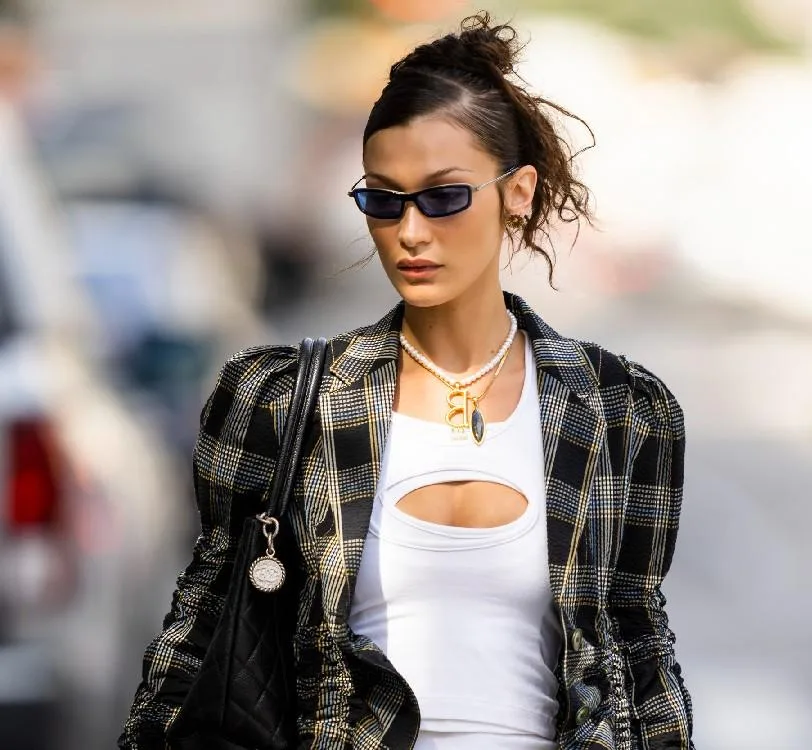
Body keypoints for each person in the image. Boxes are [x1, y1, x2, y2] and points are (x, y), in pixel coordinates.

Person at [119, 12, 694, 750]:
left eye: (445, 196)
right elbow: (200, 629)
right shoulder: (281, 398)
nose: (411, 231)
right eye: (383, 199)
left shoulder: (623, 410)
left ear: (518, 192)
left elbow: (639, 652)